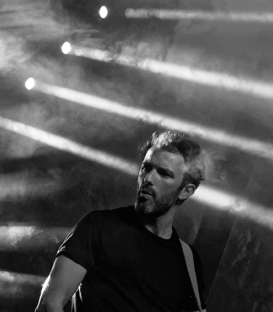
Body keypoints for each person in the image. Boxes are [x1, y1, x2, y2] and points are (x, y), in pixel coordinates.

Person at [35, 130, 207, 312]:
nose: (148, 178)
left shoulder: (188, 261)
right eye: (146, 168)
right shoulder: (99, 227)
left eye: (164, 174)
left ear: (185, 191)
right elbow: (49, 304)